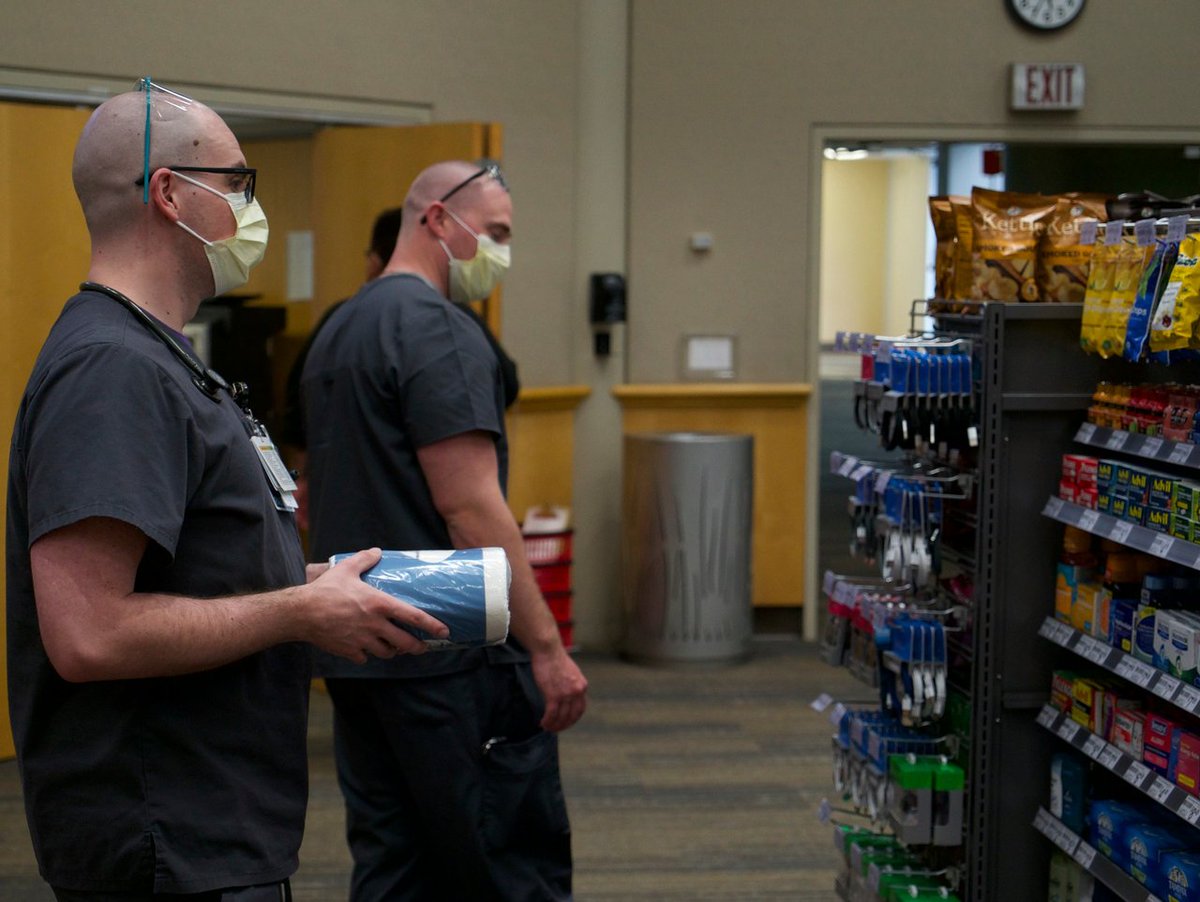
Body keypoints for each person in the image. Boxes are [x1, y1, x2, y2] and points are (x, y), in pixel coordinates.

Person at [5, 82, 448, 902]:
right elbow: (89, 634)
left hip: (213, 824)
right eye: (238, 182)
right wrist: (297, 612)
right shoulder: (113, 368)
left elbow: (192, 573)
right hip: (165, 837)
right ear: (169, 193)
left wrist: (313, 591)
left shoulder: (158, 355)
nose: (251, 207)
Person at [301, 160, 587, 901]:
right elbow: (470, 508)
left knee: (394, 866)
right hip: (450, 650)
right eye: (495, 233)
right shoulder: (439, 330)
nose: (502, 253)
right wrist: (547, 648)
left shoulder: (339, 328)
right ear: (437, 219)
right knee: (504, 867)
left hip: (362, 649)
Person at [280, 207, 519, 530]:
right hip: (427, 521)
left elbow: (297, 414)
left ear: (376, 260)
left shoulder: (340, 320)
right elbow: (508, 383)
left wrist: (305, 476)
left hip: (345, 512)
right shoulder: (454, 319)